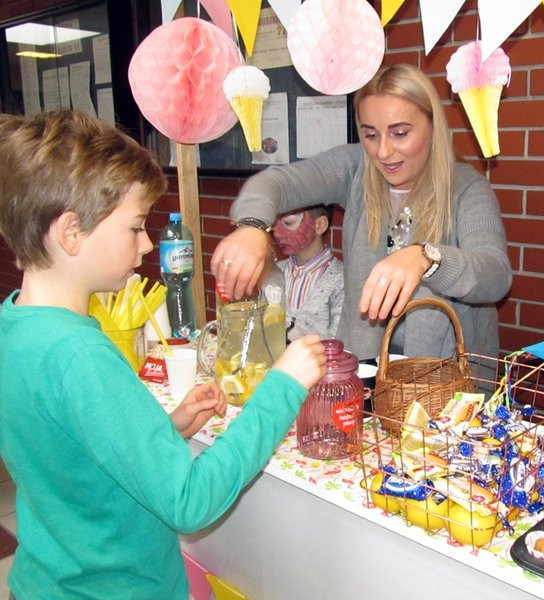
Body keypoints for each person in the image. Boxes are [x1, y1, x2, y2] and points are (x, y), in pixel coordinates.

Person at [0, 110, 326, 598]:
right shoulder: (80, 354)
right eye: (135, 227)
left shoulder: (15, 325)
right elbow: (190, 502)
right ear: (70, 233)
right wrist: (283, 387)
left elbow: (68, 451)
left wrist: (163, 428)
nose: (148, 243)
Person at [212, 63, 512, 362]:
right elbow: (277, 183)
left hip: (447, 382)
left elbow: (495, 275)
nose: (383, 152)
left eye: (400, 133)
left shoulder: (467, 188)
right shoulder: (356, 169)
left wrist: (427, 257)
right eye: (371, 135)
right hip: (367, 371)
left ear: (432, 127)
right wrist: (251, 226)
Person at [272, 204, 344, 341]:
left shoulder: (341, 281)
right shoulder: (274, 273)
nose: (277, 233)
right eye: (275, 224)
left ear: (320, 225)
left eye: (288, 222)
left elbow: (338, 346)